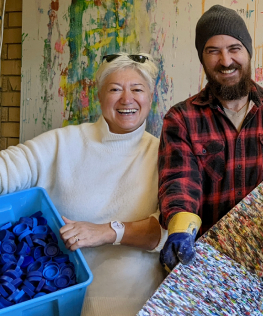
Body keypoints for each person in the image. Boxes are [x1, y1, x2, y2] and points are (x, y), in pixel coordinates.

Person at [158, 5, 263, 291]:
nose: (225, 60)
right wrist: (180, 228)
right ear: (202, 59)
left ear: (248, 52)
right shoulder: (181, 118)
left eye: (234, 48)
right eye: (212, 51)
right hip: (208, 272)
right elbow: (180, 182)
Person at [0, 53, 167, 315]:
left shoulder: (164, 154)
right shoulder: (63, 142)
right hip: (55, 304)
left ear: (150, 97)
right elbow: (9, 167)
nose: (127, 99)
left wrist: (107, 231)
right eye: (115, 89)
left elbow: (166, 231)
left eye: (137, 89)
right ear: (99, 96)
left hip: (136, 305)